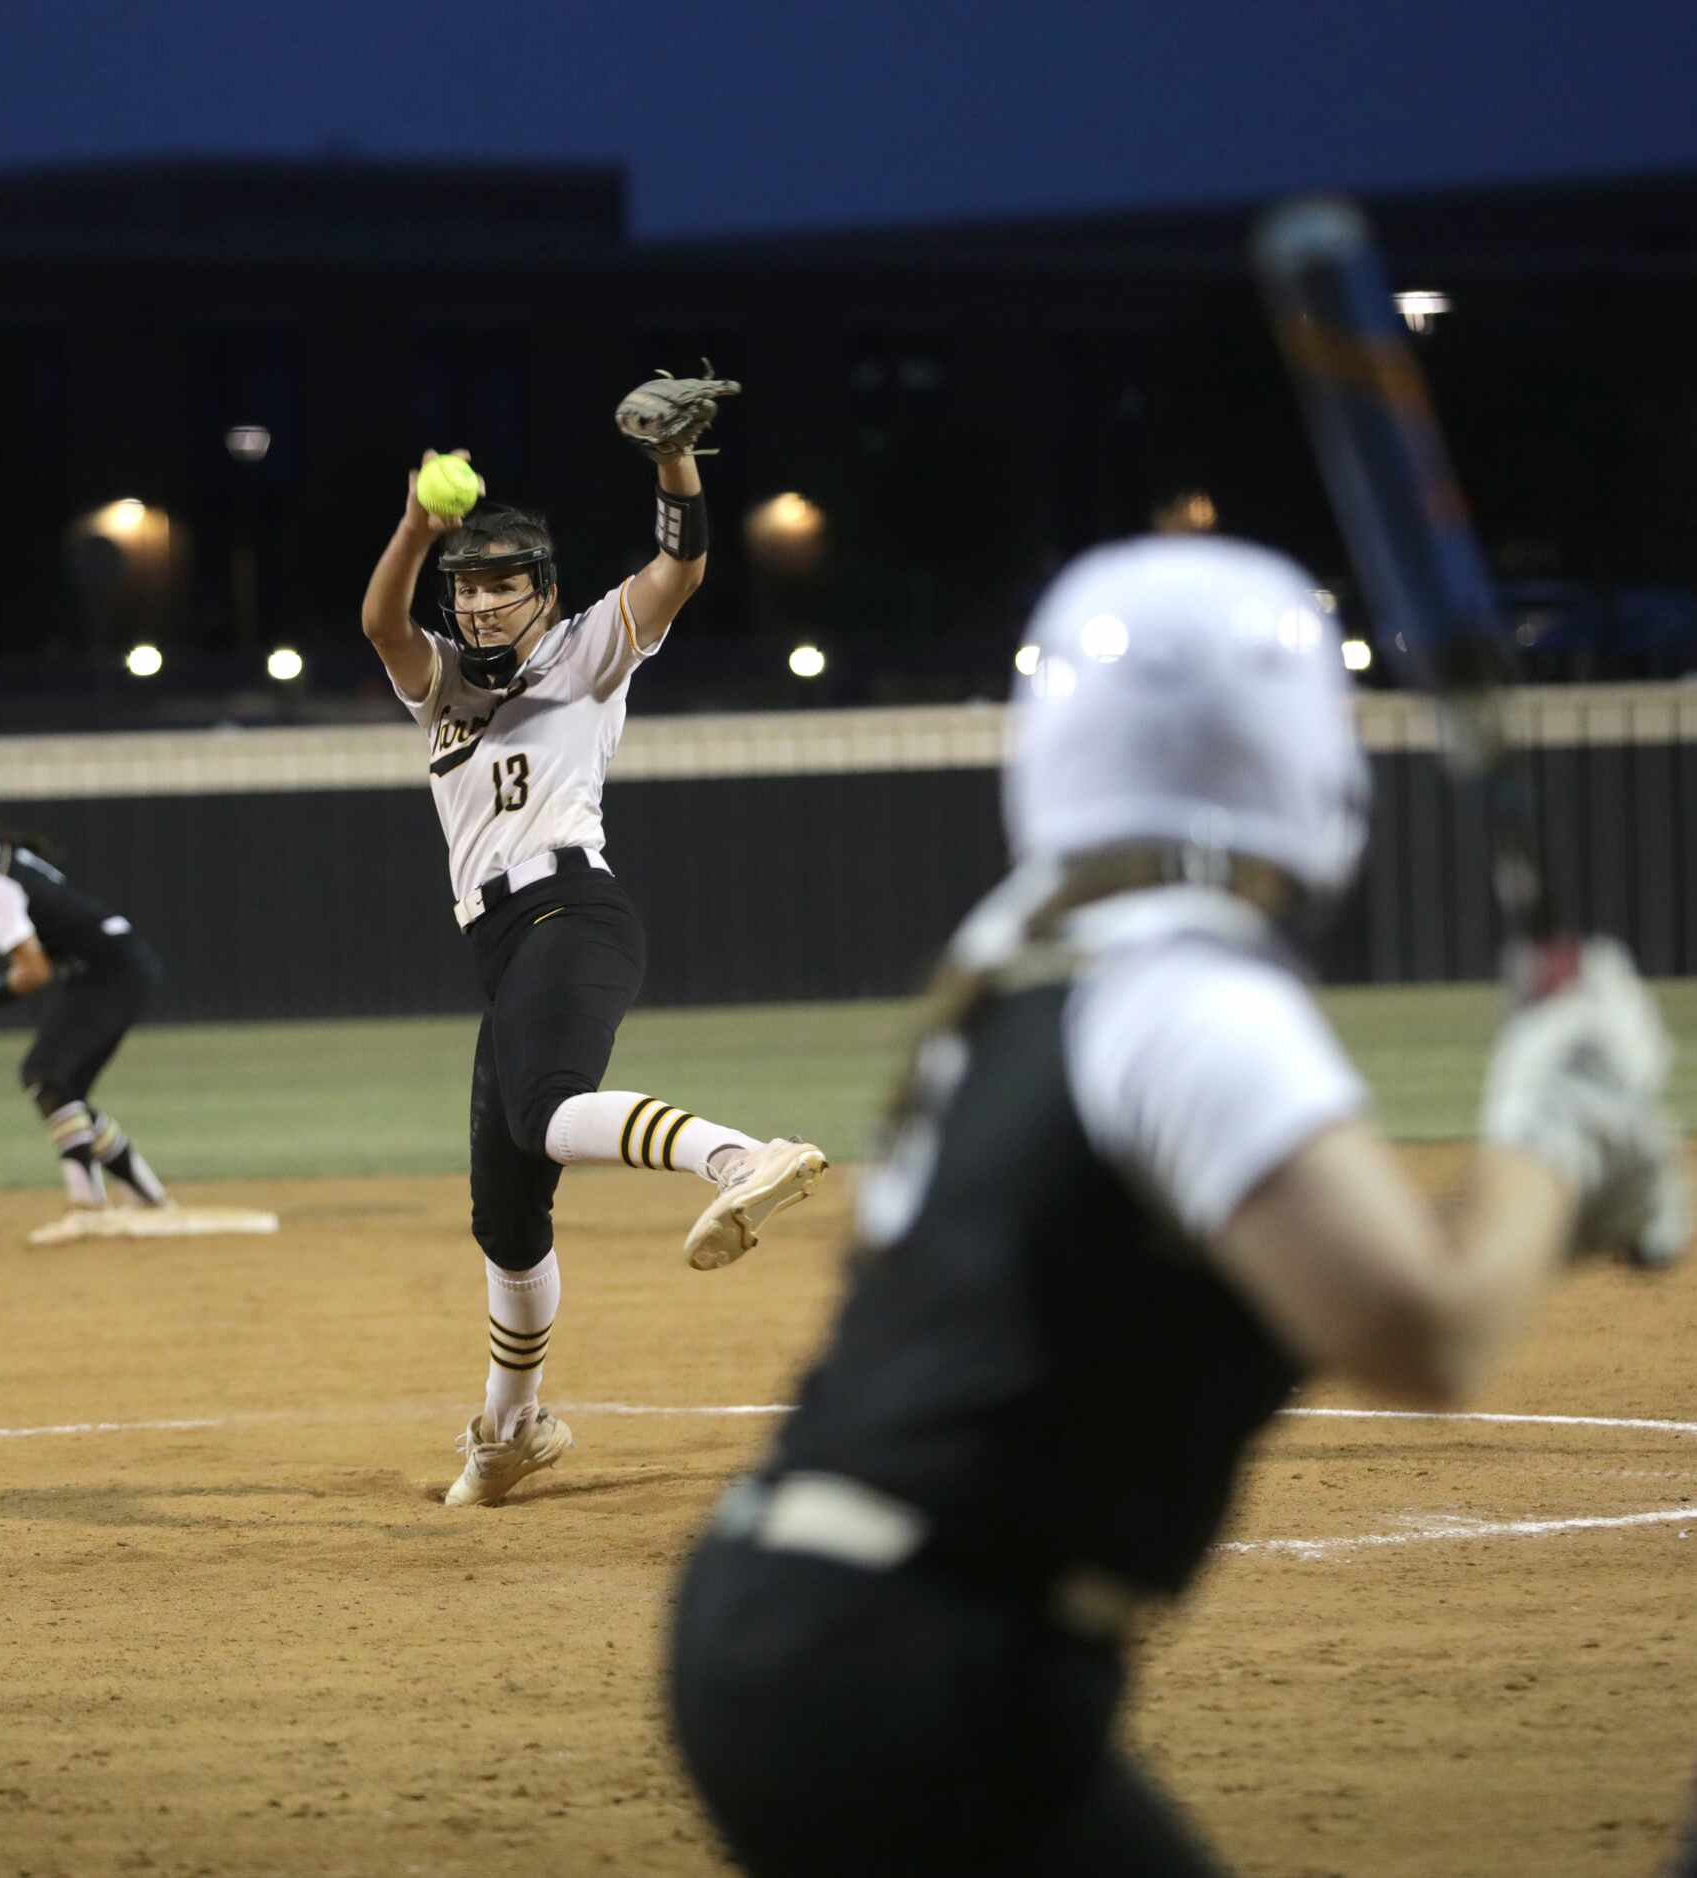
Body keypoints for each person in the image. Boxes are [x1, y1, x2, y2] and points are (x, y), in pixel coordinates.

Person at [666, 534, 1686, 1875]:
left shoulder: (1038, 941)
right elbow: (1422, 1331)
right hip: (910, 1673)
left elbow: (1345, 1262)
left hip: (835, 1643)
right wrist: (1553, 1143)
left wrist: (1556, 1179)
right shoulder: (1190, 993)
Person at [359, 394, 828, 1511]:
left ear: (545, 592)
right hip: (503, 949)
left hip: (574, 911)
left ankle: (737, 1158)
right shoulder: (443, 689)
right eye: (465, 587)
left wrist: (674, 464)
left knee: (545, 1108)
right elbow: (382, 623)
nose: (477, 605)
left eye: (500, 583)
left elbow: (680, 572)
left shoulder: (588, 651)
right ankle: (513, 1429)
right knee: (506, 1221)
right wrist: (418, 524)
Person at [0, 787, 171, 1229]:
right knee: (63, 1091)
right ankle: (147, 1195)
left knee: (45, 1075)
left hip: (108, 971)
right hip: (114, 964)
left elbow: (33, 971)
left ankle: (88, 1204)